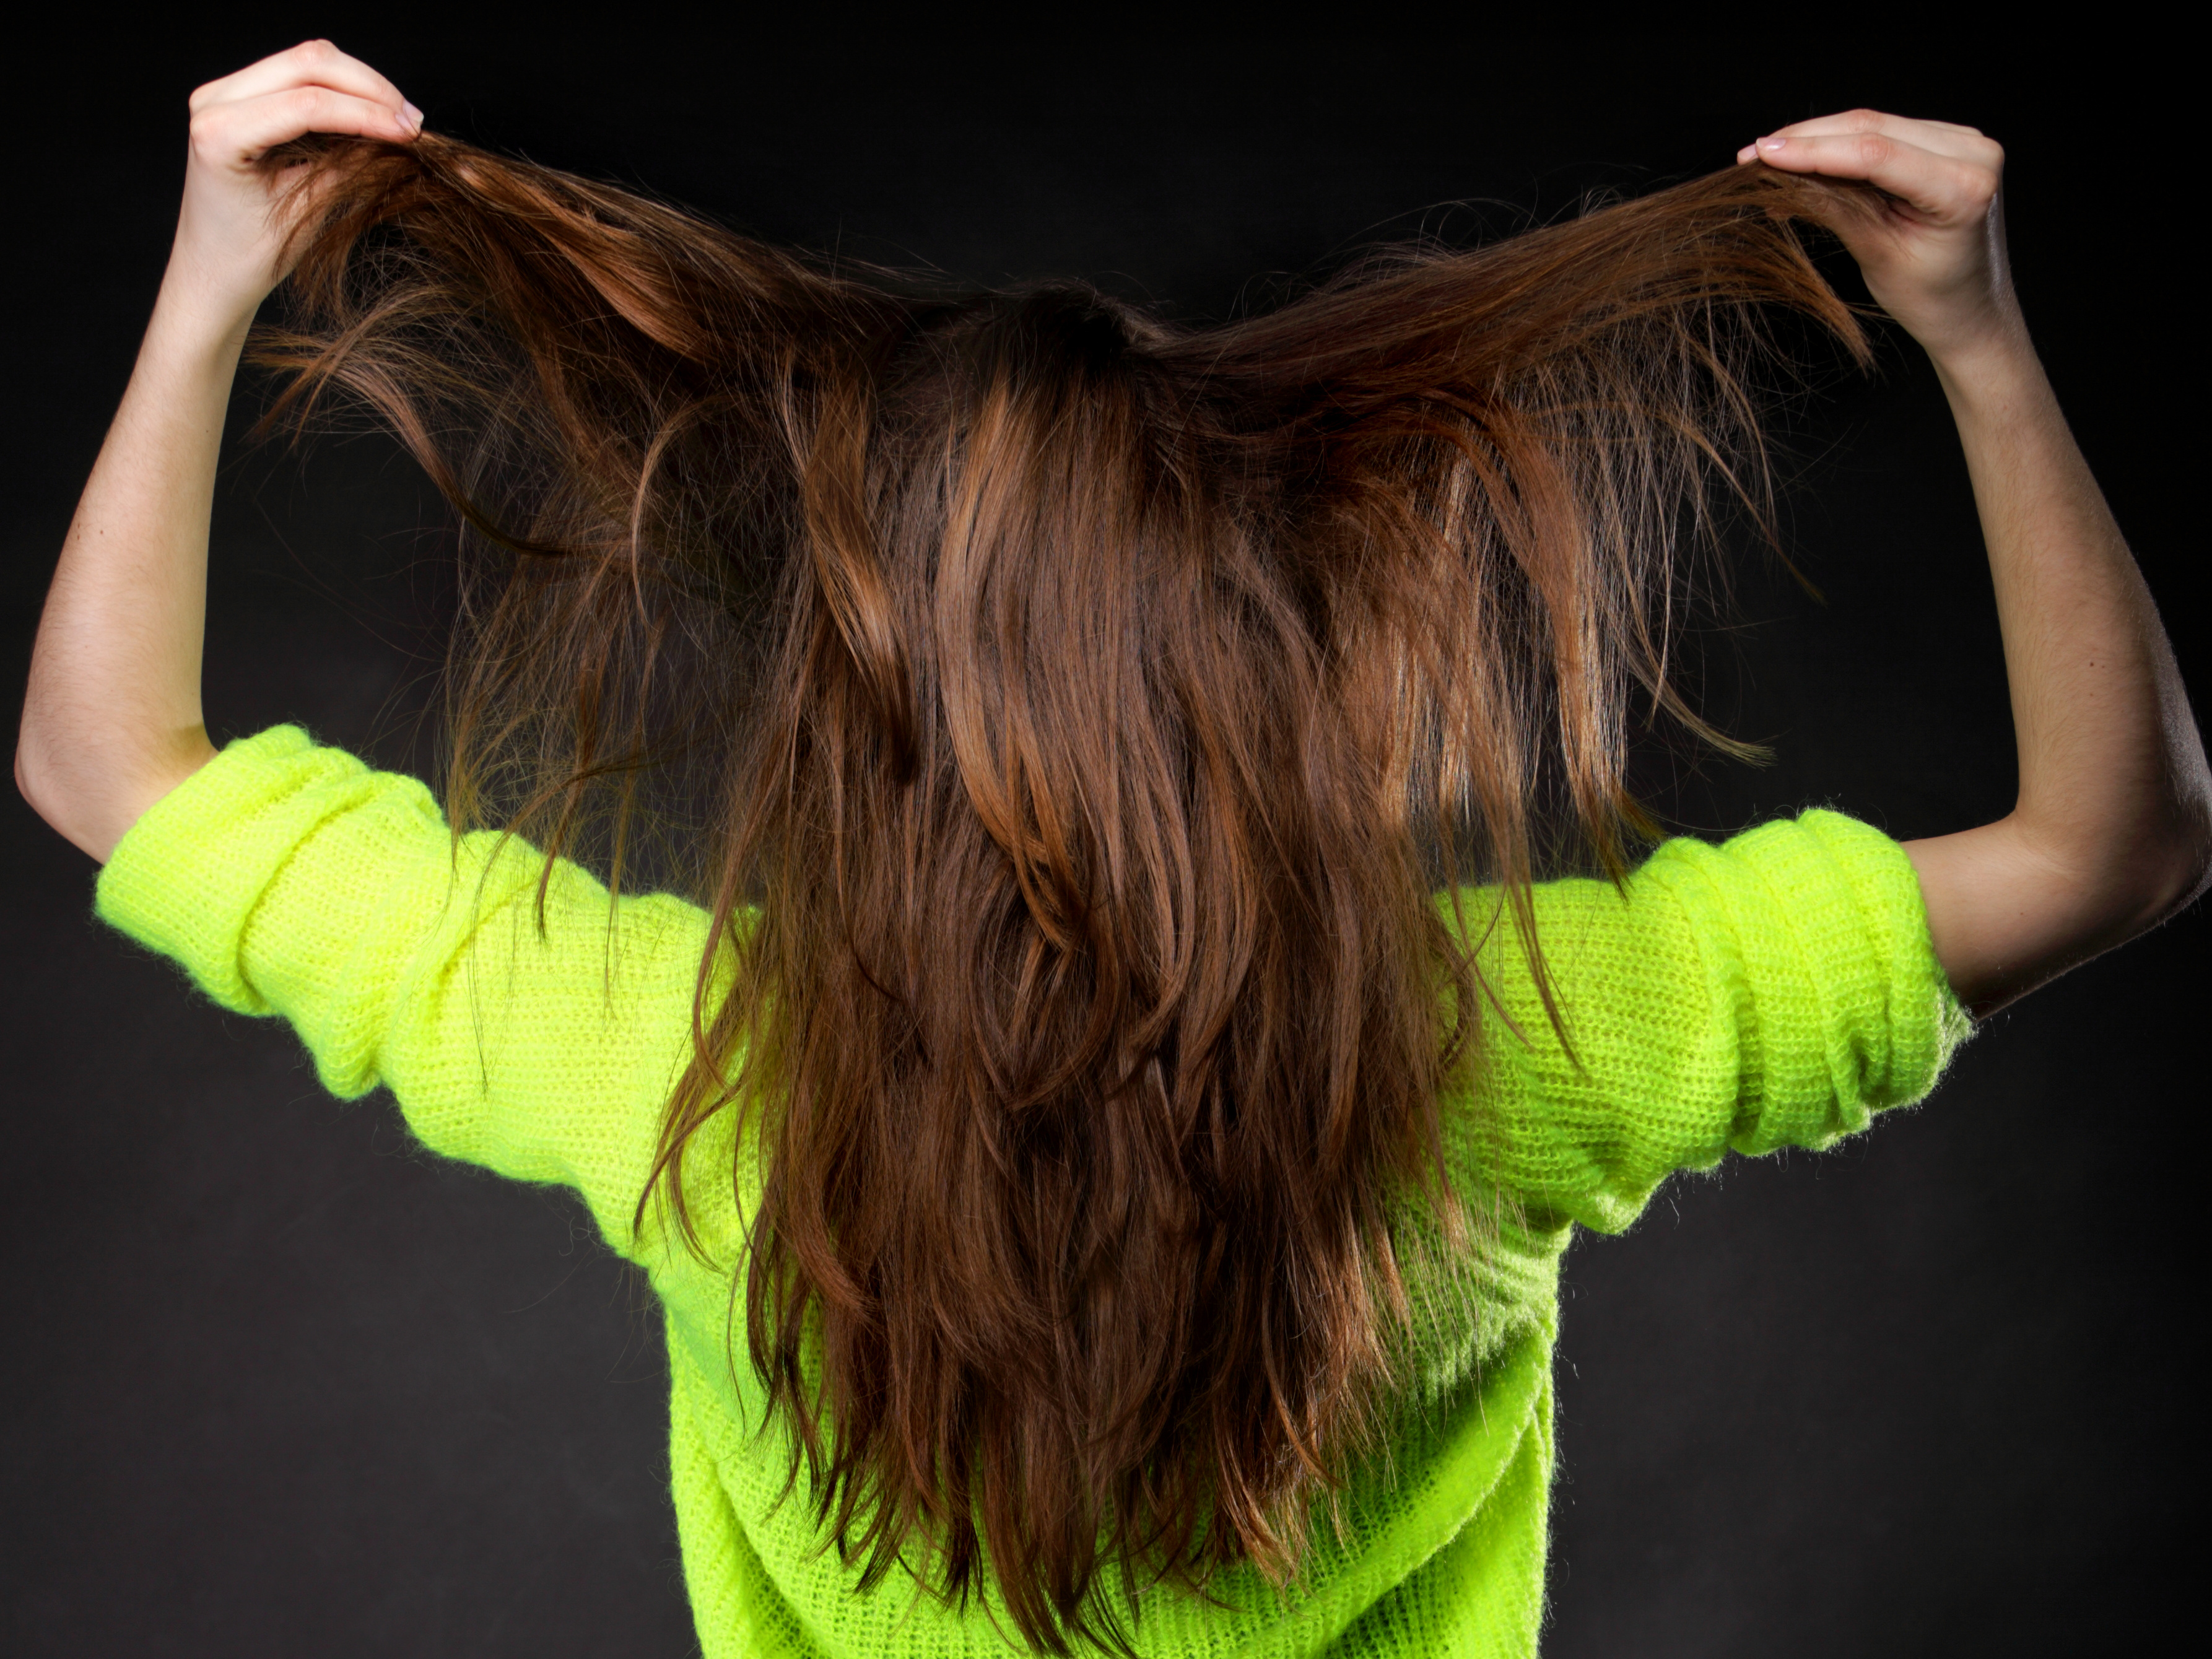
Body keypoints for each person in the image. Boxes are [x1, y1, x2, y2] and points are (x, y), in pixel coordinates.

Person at [17, 38, 2206, 1659]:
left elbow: (109, 768)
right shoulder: (1524, 1036)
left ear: (854, 704)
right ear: (1272, 676)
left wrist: (215, 284)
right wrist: (1977, 339)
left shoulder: (671, 1055)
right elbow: (2117, 848)